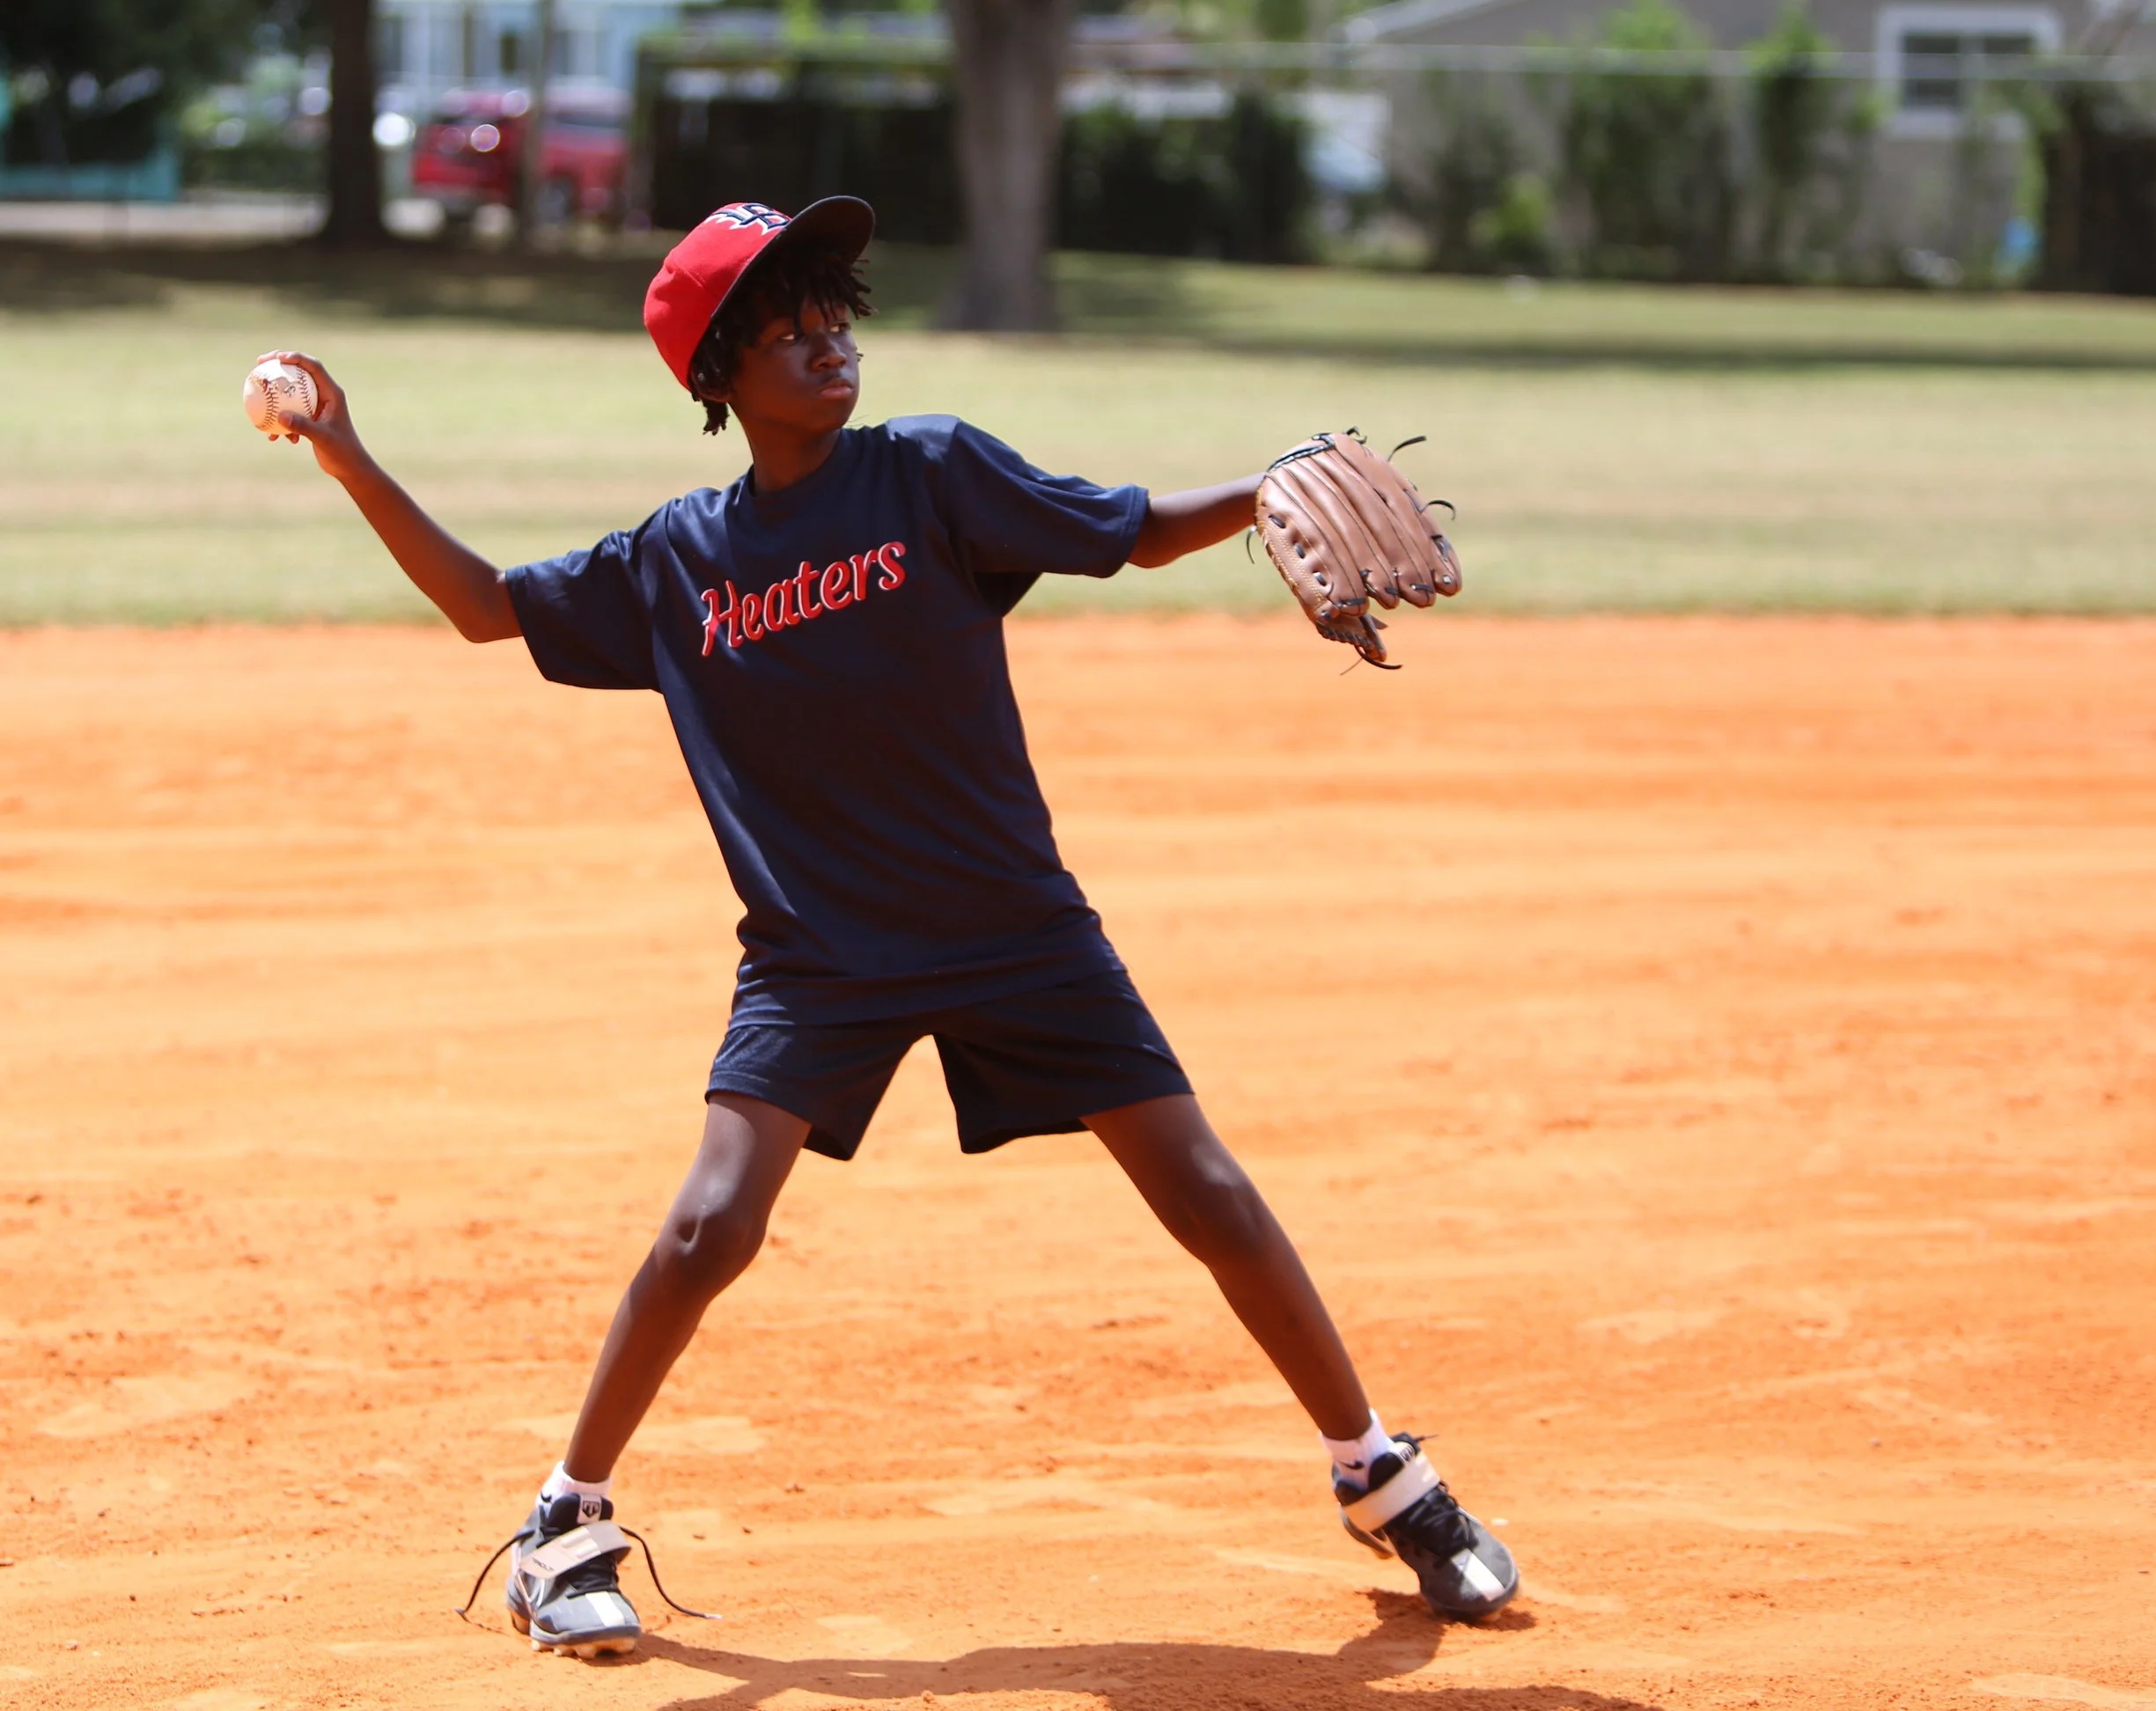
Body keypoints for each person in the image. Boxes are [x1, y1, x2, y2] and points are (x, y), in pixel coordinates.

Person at [263, 195, 1517, 1659]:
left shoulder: (930, 473)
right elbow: (485, 607)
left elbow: (1130, 531)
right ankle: (564, 1524)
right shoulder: (679, 562)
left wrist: (1260, 490)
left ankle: (1381, 1474)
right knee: (707, 1225)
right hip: (821, 953)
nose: (823, 340)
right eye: (781, 326)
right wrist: (347, 446)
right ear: (714, 376)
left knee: (1210, 1195)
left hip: (1015, 928)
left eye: (833, 311)